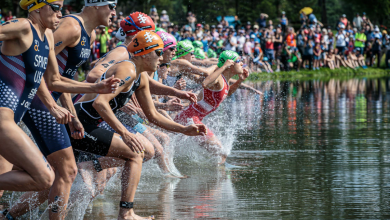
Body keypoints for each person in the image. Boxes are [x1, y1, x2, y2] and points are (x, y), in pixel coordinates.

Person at [4, 1, 122, 219]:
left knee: (47, 175)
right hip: (25, 108)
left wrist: (77, 108)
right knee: (60, 172)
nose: (61, 13)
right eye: (55, 7)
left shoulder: (69, 35)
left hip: (33, 108)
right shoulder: (57, 26)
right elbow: (36, 72)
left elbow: (58, 79)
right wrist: (51, 105)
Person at [71, 31, 206, 219]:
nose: (161, 58)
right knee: (137, 152)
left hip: (93, 125)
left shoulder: (139, 76)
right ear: (144, 53)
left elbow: (154, 117)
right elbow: (99, 103)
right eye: (158, 53)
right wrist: (125, 134)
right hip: (79, 125)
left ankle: (91, 166)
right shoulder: (127, 69)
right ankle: (126, 213)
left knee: (147, 152)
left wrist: (184, 129)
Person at [0, 0, 77, 218]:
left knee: (37, 177)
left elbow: (49, 80)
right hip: (3, 119)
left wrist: (97, 87)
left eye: (62, 7)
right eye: (55, 7)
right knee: (44, 178)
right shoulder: (23, 25)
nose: (60, 13)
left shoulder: (45, 37)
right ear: (37, 6)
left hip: (12, 121)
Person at [175, 50, 249, 164]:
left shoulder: (224, 80)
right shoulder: (218, 78)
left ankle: (212, 176)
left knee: (219, 153)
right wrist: (223, 66)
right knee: (220, 151)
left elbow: (227, 92)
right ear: (230, 65)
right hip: (189, 118)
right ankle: (219, 178)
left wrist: (240, 80)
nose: (242, 64)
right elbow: (205, 83)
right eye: (238, 61)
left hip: (192, 118)